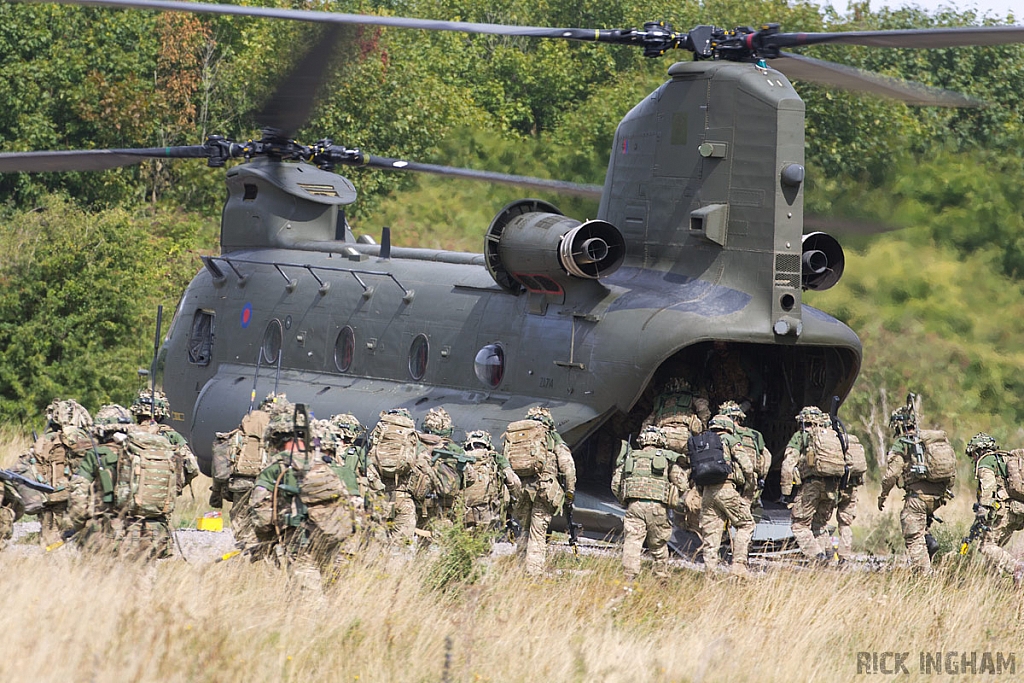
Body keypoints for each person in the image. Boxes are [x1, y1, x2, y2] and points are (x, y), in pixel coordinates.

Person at [247, 407, 358, 588]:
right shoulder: (332, 466)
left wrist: (267, 540)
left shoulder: (276, 468)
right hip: (335, 539)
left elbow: (261, 515)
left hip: (301, 543)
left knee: (308, 597)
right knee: (335, 591)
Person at [68, 404, 185, 560]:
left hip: (108, 535)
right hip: (150, 532)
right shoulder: (149, 454)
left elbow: (77, 495)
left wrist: (79, 526)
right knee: (142, 581)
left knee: (100, 580)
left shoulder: (98, 454)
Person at [877, 405, 955, 574]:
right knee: (920, 528)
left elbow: (892, 474)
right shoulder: (932, 441)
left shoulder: (903, 442)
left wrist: (883, 495)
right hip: (937, 497)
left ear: (898, 425)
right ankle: (929, 541)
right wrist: (945, 492)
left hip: (917, 498)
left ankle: (924, 576)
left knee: (913, 536)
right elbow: (951, 471)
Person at [504, 406, 576, 575]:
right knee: (538, 533)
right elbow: (568, 467)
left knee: (525, 529)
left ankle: (519, 568)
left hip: (521, 491)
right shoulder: (552, 438)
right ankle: (533, 573)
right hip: (544, 490)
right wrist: (570, 492)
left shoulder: (517, 438)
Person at [12, 399, 94, 546]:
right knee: (77, 531)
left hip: (49, 492)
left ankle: (50, 553)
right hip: (75, 492)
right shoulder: (84, 438)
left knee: (50, 533)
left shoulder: (46, 439)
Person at [612, 425, 680, 579]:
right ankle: (661, 577)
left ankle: (629, 578)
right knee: (658, 545)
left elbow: (615, 483)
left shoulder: (631, 457)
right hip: (658, 508)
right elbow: (681, 483)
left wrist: (624, 500)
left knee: (632, 543)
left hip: (634, 507)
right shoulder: (666, 458)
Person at [780, 406, 845, 564]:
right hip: (832, 487)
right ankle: (831, 560)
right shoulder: (833, 437)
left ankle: (817, 557)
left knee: (799, 525)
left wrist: (786, 493)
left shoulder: (801, 436)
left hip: (811, 485)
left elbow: (788, 465)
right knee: (820, 525)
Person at [697, 413, 755, 575]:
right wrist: (749, 485)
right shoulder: (730, 440)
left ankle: (710, 575)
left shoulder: (702, 442)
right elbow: (748, 466)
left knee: (711, 537)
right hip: (726, 489)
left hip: (707, 493)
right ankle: (738, 565)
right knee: (746, 524)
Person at [965, 433, 1024, 585]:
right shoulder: (1004, 458)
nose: (973, 458)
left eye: (972, 454)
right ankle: (995, 585)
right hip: (1017, 511)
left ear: (978, 451)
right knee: (995, 548)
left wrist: (982, 512)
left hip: (1003, 513)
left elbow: (988, 487)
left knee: (985, 546)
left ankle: (1017, 568)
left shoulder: (986, 462)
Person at [130, 389, 199, 499]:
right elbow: (193, 468)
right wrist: (173, 486)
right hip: (163, 499)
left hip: (132, 497)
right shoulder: (171, 436)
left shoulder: (127, 434)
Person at [367, 407, 420, 544]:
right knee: (401, 546)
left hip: (380, 496)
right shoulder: (411, 438)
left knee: (376, 543)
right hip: (403, 497)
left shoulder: (380, 434)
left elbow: (368, 464)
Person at [461, 429, 520, 530]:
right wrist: (513, 503)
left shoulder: (461, 458)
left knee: (463, 537)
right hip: (487, 508)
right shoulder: (496, 458)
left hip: (463, 508)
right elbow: (513, 481)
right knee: (485, 538)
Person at [719, 400, 771, 509]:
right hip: (753, 477)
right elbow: (767, 457)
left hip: (732, 477)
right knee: (746, 511)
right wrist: (762, 477)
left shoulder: (724, 434)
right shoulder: (755, 434)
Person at [834, 433, 867, 563]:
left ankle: (825, 556)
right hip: (852, 488)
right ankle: (844, 558)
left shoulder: (834, 443)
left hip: (835, 487)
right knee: (845, 524)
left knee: (820, 523)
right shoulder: (855, 443)